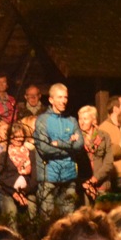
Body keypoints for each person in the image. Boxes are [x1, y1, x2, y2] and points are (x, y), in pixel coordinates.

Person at [31, 84, 83, 219]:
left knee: (68, 221)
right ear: (51, 100)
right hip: (49, 177)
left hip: (69, 175)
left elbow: (79, 145)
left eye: (65, 97)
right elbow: (45, 149)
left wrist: (58, 143)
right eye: (60, 97)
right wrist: (69, 144)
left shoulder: (72, 120)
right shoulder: (42, 120)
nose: (64, 100)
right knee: (47, 221)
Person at [0, 123, 36, 225]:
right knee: (11, 213)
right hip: (9, 191)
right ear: (10, 137)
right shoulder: (4, 155)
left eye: (21, 135)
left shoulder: (31, 152)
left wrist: (24, 192)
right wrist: (14, 193)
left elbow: (34, 177)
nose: (19, 138)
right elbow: (2, 177)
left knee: (32, 209)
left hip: (27, 190)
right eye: (16, 136)